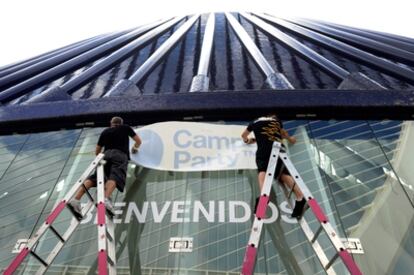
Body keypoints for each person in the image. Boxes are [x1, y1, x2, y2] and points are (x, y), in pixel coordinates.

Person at [68, 116, 142, 218]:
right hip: (120, 155)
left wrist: (103, 156)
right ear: (121, 123)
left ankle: (76, 199)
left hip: (105, 155)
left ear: (111, 123)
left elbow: (97, 151)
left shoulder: (105, 131)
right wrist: (134, 148)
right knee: (116, 175)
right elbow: (138, 141)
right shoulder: (125, 128)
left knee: (95, 178)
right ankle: (105, 199)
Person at [241, 113, 306, 218]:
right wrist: (291, 139)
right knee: (283, 174)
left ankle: (264, 197)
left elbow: (244, 135)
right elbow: (281, 133)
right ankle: (300, 196)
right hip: (278, 149)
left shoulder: (254, 122)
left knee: (262, 172)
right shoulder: (276, 120)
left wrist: (248, 140)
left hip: (263, 151)